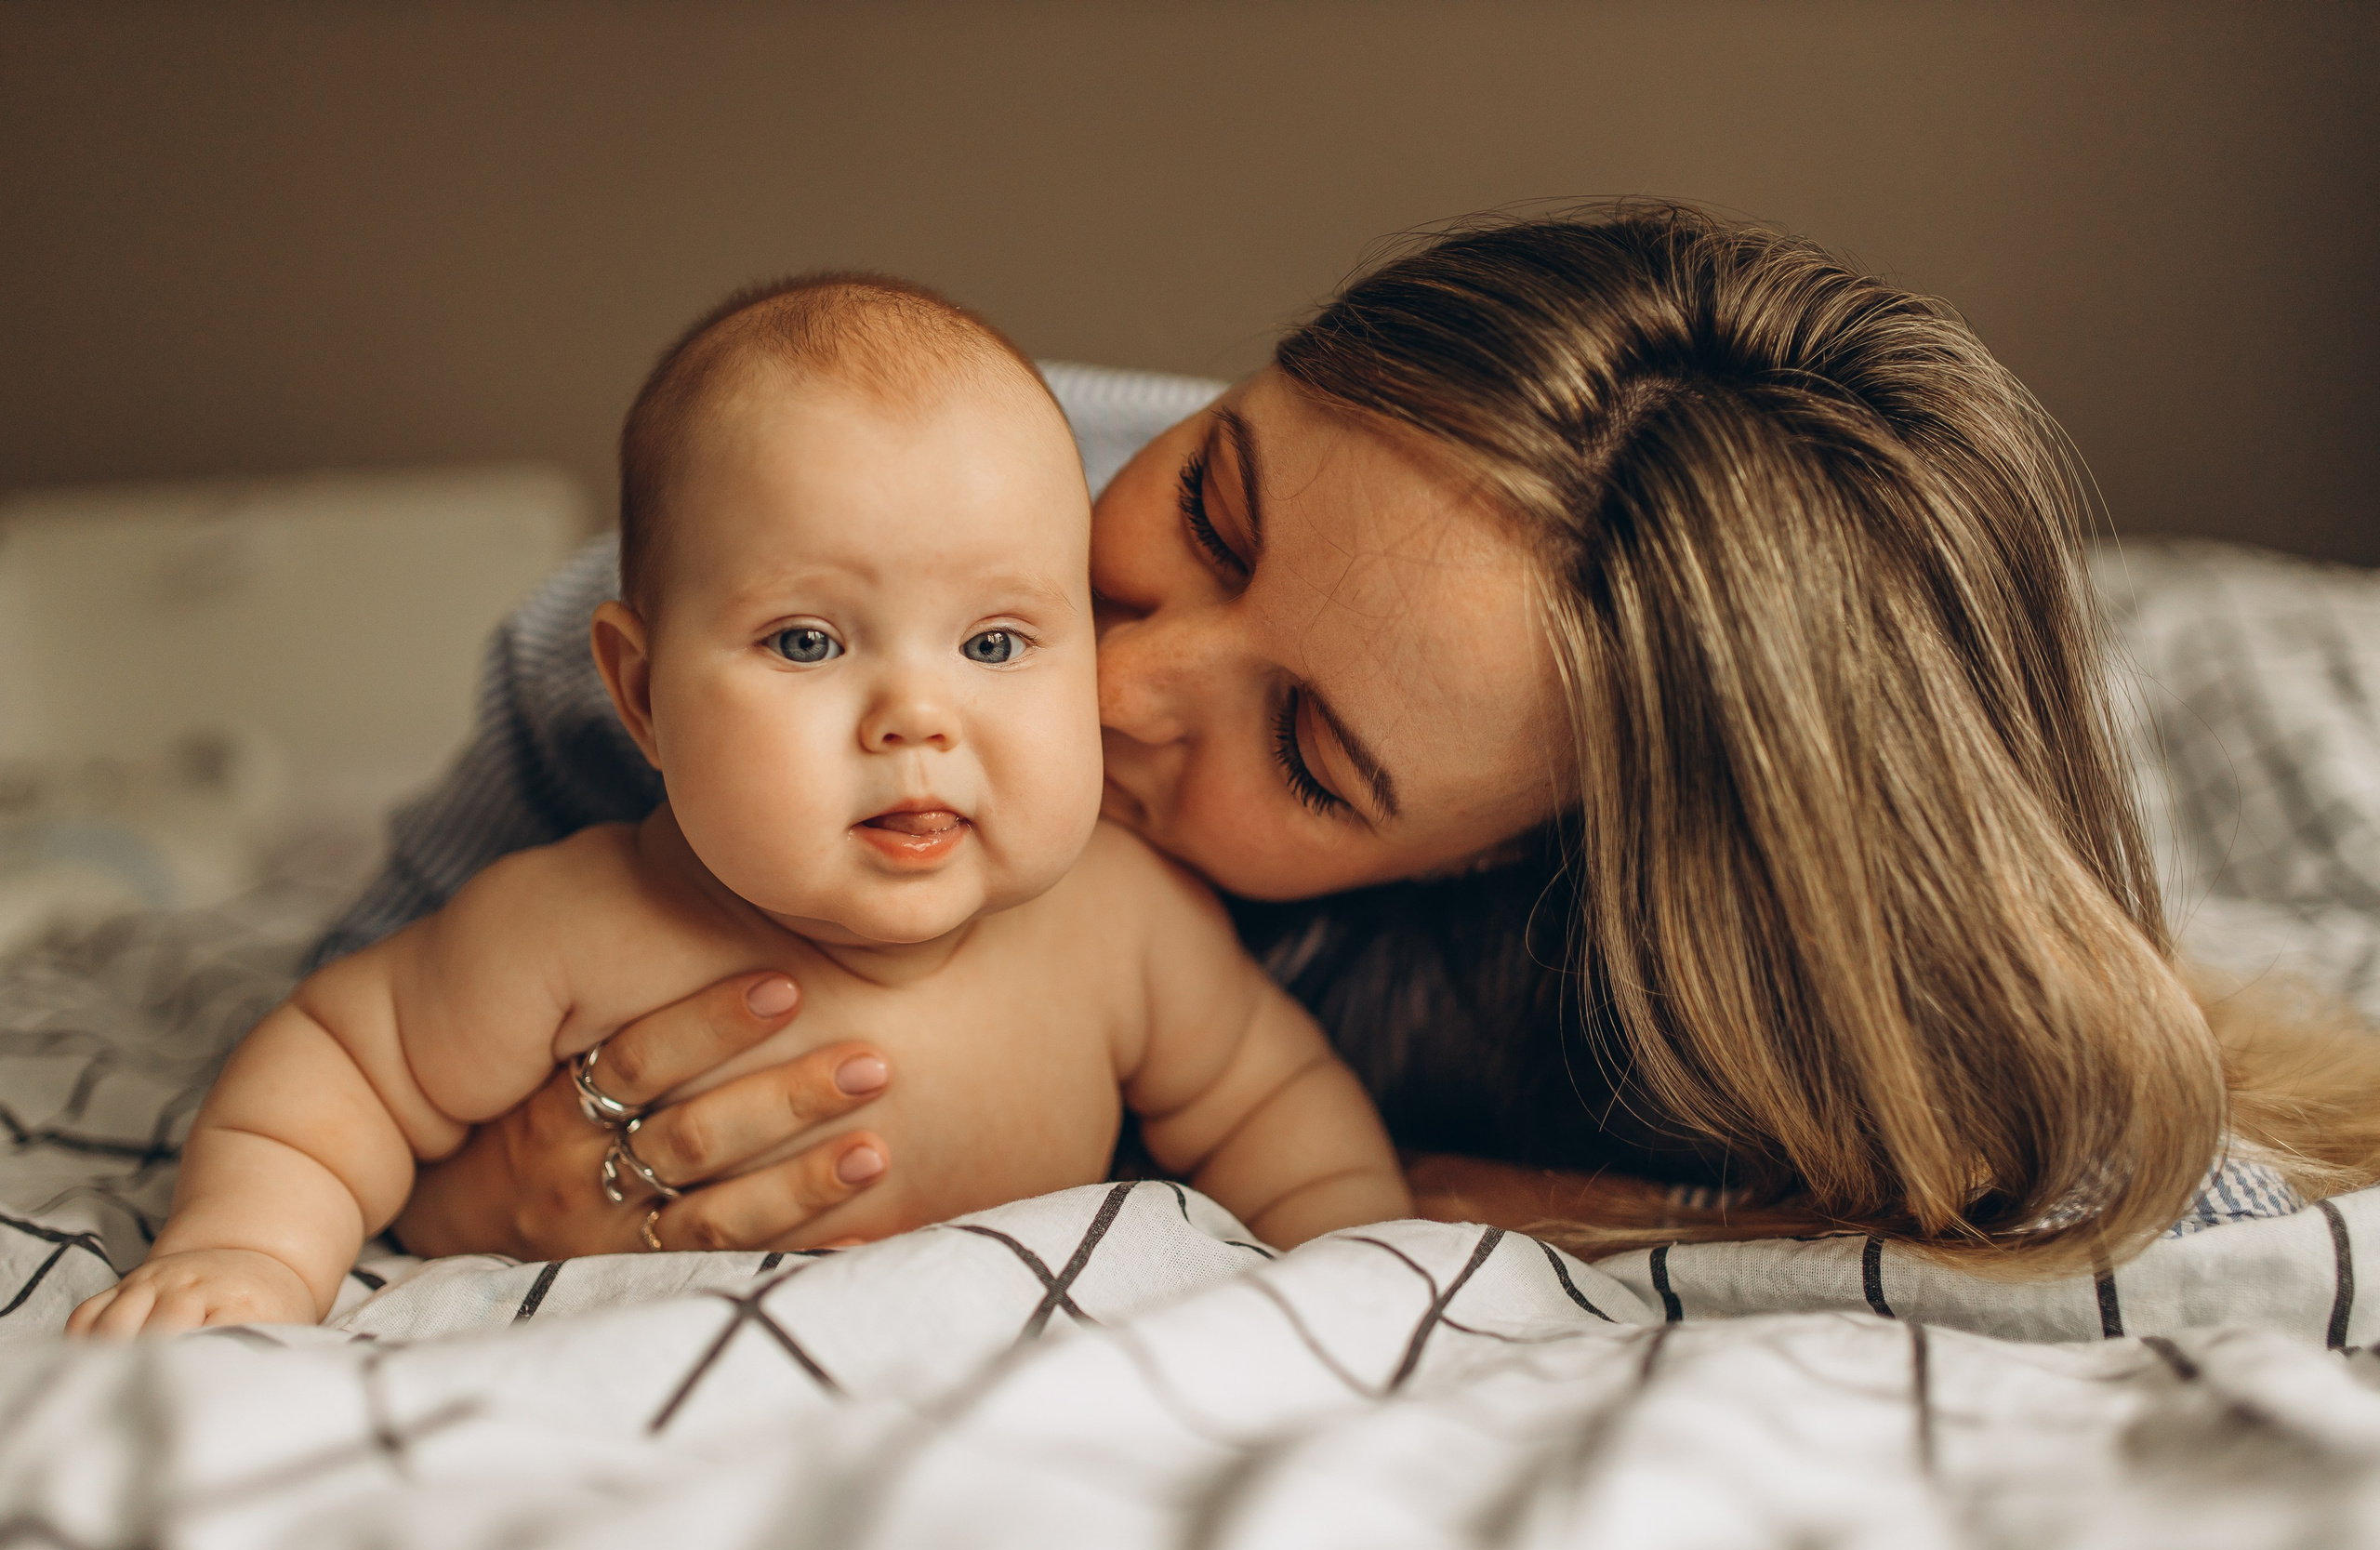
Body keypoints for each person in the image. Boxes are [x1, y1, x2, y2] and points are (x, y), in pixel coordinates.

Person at [372, 202, 2380, 1277]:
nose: (1110, 688)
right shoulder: (760, 629)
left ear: (1499, 860)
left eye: (1313, 760)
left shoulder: (1631, 965)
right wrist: (471, 1207)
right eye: (1206, 511)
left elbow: (2131, 1164)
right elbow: (365, 1013)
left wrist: (1602, 1206)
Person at [66, 276, 1408, 1335]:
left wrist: (1366, 1267)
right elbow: (335, 1071)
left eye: (995, 645)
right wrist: (243, 1250)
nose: (915, 717)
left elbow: (1271, 1104)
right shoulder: (570, 927)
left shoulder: (1128, 927)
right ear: (641, 699)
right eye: (809, 643)